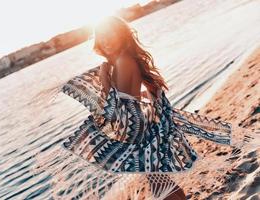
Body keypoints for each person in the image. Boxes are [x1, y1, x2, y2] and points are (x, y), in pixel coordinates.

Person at [58, 15, 232, 199]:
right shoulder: (122, 60)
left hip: (138, 133)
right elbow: (132, 97)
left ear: (121, 35)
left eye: (111, 35)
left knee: (159, 185)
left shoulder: (123, 62)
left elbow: (117, 109)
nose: (106, 41)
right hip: (140, 129)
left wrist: (103, 79)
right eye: (102, 36)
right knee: (160, 182)